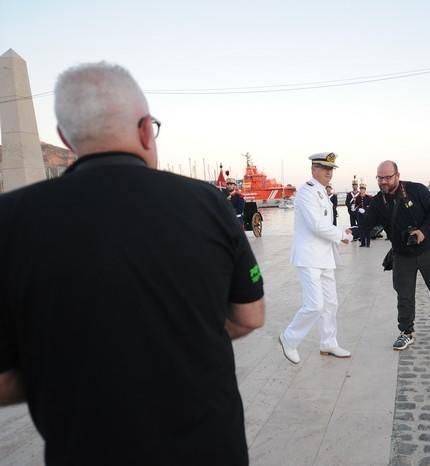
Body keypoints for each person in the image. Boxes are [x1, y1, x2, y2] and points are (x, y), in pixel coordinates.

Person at [0, 62, 265, 466]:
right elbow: (249, 316)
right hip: (210, 450)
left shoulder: (10, 219)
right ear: (145, 129)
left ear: (65, 138)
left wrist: (63, 360)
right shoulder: (208, 203)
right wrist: (180, 334)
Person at [359, 161, 430, 350]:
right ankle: (406, 332)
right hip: (401, 255)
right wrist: (347, 234)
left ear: (397, 175)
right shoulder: (378, 202)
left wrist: (423, 231)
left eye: (387, 177)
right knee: (404, 295)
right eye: (379, 178)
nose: (383, 181)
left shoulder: (416, 190)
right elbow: (366, 224)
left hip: (427, 251)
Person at [279, 152, 354, 364]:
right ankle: (289, 339)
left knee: (331, 304)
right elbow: (315, 225)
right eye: (325, 168)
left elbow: (325, 224)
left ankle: (328, 343)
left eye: (331, 169)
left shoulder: (322, 192)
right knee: (315, 305)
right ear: (314, 170)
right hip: (309, 257)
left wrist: (342, 231)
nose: (329, 172)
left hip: (325, 257)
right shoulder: (306, 192)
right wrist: (341, 236)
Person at [356, 181, 373, 247]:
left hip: (366, 215)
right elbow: (356, 206)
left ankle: (368, 243)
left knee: (367, 230)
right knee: (361, 229)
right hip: (360, 216)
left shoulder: (368, 197)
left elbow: (371, 207)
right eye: (361, 189)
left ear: (365, 190)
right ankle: (362, 243)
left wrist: (365, 210)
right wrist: (358, 209)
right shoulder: (357, 198)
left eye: (363, 189)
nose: (362, 190)